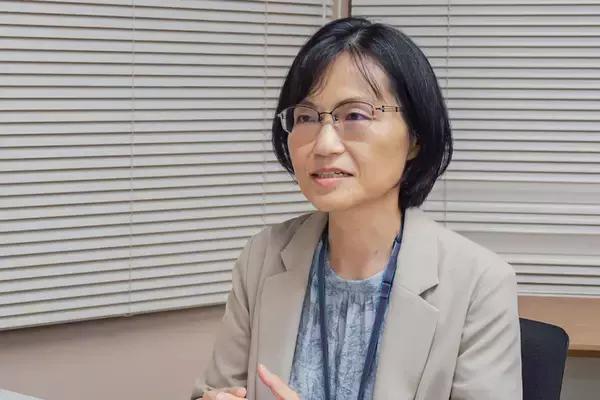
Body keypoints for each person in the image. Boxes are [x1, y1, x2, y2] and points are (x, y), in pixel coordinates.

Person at [193, 17, 522, 400]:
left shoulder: (479, 284)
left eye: (354, 115)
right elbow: (215, 389)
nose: (324, 144)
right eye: (306, 117)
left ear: (415, 138)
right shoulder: (263, 257)